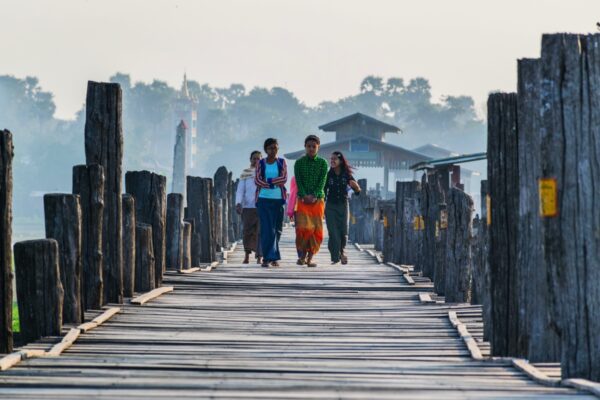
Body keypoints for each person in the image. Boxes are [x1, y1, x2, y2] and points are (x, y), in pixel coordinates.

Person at [293, 134, 328, 267]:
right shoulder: (299, 163)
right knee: (302, 229)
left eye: (314, 146)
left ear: (318, 147)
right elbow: (298, 181)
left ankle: (310, 258)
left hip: (317, 201)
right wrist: (304, 195)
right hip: (302, 201)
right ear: (305, 147)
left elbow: (322, 182)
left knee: (315, 230)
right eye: (309, 146)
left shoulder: (323, 163)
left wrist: (314, 195)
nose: (311, 149)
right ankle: (301, 256)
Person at [255, 138, 288, 268]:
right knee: (267, 229)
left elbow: (284, 179)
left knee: (277, 229)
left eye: (275, 148)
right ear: (266, 150)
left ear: (278, 149)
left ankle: (272, 255)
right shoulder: (261, 163)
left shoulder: (281, 162)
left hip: (278, 200)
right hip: (263, 199)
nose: (272, 151)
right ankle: (268, 258)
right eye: (270, 148)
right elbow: (258, 180)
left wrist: (267, 182)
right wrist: (272, 183)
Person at [325, 151, 361, 265]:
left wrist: (357, 188)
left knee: (343, 232)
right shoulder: (328, 174)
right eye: (331, 159)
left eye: (335, 159)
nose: (332, 161)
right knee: (333, 231)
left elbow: (357, 190)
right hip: (330, 206)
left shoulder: (346, 175)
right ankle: (336, 256)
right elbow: (323, 190)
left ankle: (341, 251)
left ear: (340, 161)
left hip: (343, 205)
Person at [235, 150, 263, 264]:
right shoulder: (245, 173)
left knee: (260, 232)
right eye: (254, 158)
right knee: (247, 231)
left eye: (258, 159)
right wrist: (238, 203)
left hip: (262, 206)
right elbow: (240, 190)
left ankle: (259, 257)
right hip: (248, 207)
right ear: (250, 160)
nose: (256, 161)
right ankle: (246, 255)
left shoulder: (264, 173)